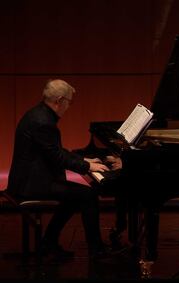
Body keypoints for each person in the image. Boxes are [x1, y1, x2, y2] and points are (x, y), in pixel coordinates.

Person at [6, 79, 112, 260]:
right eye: (69, 102)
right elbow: (57, 157)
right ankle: (96, 250)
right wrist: (87, 166)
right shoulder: (43, 122)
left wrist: (83, 159)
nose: (69, 106)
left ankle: (49, 242)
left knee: (75, 196)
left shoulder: (39, 114)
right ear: (59, 101)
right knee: (87, 194)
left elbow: (54, 150)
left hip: (30, 178)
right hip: (31, 184)